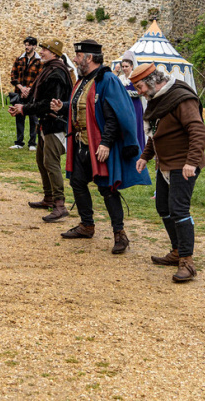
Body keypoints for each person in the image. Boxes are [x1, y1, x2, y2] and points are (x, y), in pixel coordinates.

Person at [51, 40, 151, 254]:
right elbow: (86, 108)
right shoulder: (83, 81)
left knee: (107, 188)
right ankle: (87, 225)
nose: (75, 59)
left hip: (99, 146)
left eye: (78, 56)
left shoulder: (107, 80)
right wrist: (63, 108)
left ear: (89, 58)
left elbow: (115, 114)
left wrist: (106, 142)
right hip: (81, 144)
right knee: (77, 183)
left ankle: (119, 234)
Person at [133, 64, 205, 282]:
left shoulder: (181, 98)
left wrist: (191, 162)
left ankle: (187, 261)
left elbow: (199, 130)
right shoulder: (157, 99)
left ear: (153, 81)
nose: (139, 92)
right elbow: (156, 132)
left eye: (139, 86)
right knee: (163, 207)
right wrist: (145, 156)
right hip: (165, 163)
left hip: (183, 164)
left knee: (179, 210)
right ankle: (177, 251)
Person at [8, 38, 72, 221]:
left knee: (51, 163)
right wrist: (21, 105)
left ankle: (59, 204)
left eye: (44, 49)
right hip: (45, 123)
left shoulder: (57, 73)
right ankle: (49, 197)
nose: (41, 52)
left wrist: (25, 109)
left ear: (54, 53)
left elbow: (49, 103)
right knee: (41, 160)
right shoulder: (48, 69)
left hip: (55, 123)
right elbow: (37, 97)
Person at [9, 36, 42, 150]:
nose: (26, 47)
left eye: (29, 45)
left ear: (34, 46)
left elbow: (40, 78)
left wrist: (29, 90)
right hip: (19, 93)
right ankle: (19, 142)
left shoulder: (39, 61)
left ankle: (32, 143)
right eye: (25, 45)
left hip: (33, 94)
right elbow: (13, 76)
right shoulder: (19, 59)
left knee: (33, 119)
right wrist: (21, 88)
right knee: (19, 117)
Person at [118, 50, 146, 152]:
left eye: (126, 66)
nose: (124, 68)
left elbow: (141, 92)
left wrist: (128, 93)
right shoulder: (120, 79)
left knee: (136, 126)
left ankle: (139, 149)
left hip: (135, 105)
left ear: (132, 66)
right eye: (123, 66)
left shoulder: (136, 78)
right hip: (124, 107)